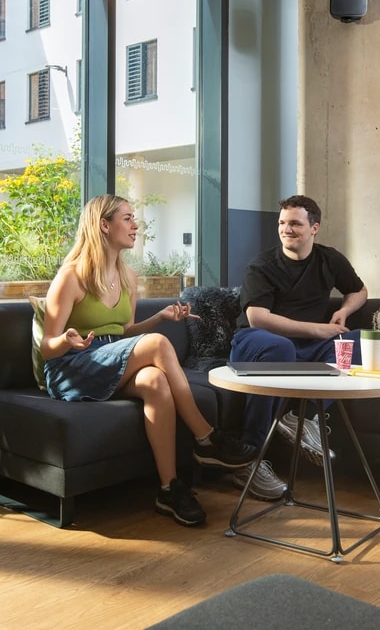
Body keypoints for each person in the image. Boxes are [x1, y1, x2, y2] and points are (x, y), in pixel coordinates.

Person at [41, 194, 257, 527]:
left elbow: (126, 333)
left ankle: (169, 488)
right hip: (72, 366)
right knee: (157, 346)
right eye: (127, 218)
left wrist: (159, 317)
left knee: (156, 382)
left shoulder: (126, 276)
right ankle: (206, 438)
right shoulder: (71, 276)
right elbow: (46, 348)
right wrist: (65, 339)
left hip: (111, 359)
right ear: (103, 225)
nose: (135, 225)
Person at [229, 195, 368, 501]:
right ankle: (247, 463)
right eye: (282, 223)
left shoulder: (329, 259)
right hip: (256, 343)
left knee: (358, 341)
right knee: (279, 349)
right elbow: (257, 319)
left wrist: (344, 311)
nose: (286, 229)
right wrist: (318, 329)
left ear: (314, 227)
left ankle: (303, 418)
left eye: (294, 223)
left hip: (306, 346)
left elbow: (359, 290)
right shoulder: (262, 265)